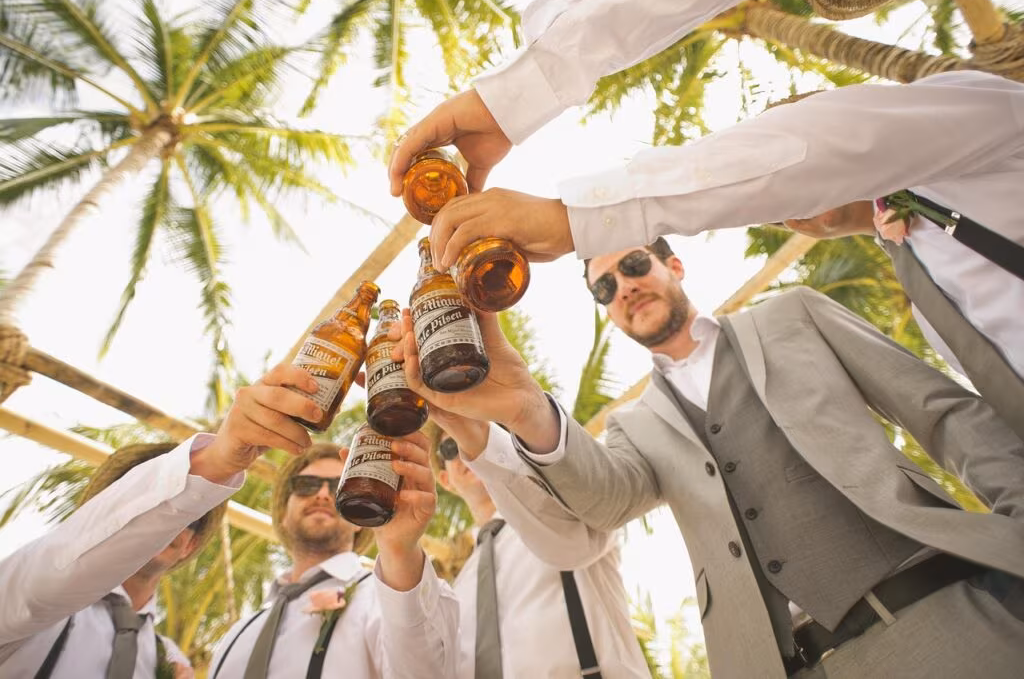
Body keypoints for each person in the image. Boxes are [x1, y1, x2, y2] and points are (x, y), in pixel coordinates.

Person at [387, 0, 1024, 437]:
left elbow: (821, 144)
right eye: (604, 284)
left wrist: (574, 217)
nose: (784, 205)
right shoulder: (917, 260)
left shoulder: (978, 119)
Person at [389, 238, 1024, 678]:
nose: (624, 287)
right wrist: (525, 406)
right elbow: (604, 501)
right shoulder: (635, 425)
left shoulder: (792, 314)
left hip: (937, 618)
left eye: (634, 264)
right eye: (604, 287)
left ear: (675, 264)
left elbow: (941, 413)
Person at [0, 359, 326, 678]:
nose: (170, 524)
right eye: (154, 506)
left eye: (191, 517)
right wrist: (212, 462)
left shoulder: (170, 660)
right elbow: (53, 569)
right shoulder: (26, 608)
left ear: (191, 545)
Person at [208, 422, 458, 678]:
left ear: (358, 520)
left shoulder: (390, 600)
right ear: (282, 512)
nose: (322, 495)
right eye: (306, 485)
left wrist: (400, 551)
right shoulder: (236, 635)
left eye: (338, 488)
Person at [426, 421, 649, 678]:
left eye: (480, 427)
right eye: (452, 446)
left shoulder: (564, 510)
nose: (466, 444)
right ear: (445, 481)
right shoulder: (459, 585)